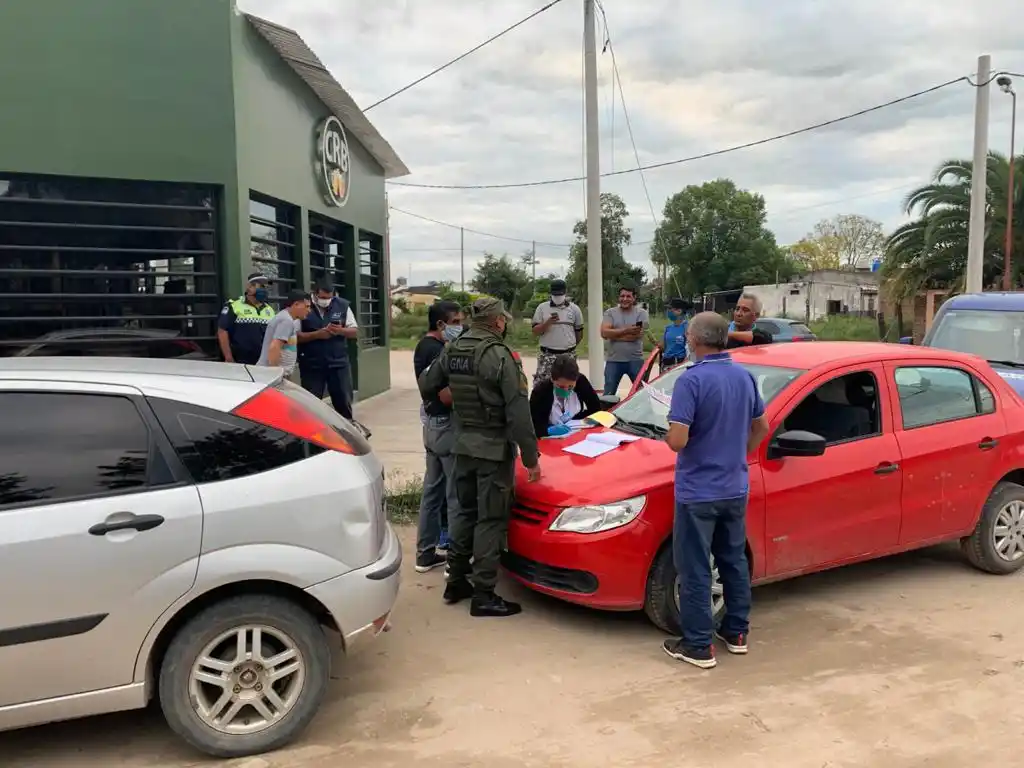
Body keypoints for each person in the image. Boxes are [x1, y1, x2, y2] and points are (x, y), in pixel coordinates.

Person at [419, 297, 541, 618]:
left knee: (463, 513)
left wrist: (456, 400)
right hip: (492, 451)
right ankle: (484, 593)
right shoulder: (500, 355)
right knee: (490, 519)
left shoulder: (454, 348)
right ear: (497, 321)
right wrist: (531, 458)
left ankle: (456, 581)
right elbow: (518, 413)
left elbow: (427, 383)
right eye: (504, 318)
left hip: (461, 445)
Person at [662, 311, 770, 670]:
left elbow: (678, 441)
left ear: (694, 339)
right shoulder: (744, 376)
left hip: (698, 492)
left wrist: (669, 431)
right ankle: (737, 632)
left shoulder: (691, 381)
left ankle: (698, 645)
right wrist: (737, 454)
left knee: (694, 569)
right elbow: (761, 426)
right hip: (734, 486)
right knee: (733, 560)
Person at [412, 300, 464, 573]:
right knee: (454, 496)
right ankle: (455, 562)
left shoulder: (424, 346)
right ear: (441, 324)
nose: (460, 327)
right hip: (445, 426)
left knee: (432, 493)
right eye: (456, 322)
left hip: (431, 427)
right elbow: (445, 395)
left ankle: (425, 554)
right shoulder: (438, 351)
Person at [298, 279, 358, 419]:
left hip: (338, 363)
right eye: (323, 298)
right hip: (312, 364)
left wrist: (340, 331)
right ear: (315, 294)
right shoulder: (304, 305)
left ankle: (346, 431)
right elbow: (296, 336)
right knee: (311, 404)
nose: (326, 301)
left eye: (329, 298)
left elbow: (354, 331)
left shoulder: (342, 305)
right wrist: (317, 335)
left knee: (343, 401)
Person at [530, 354, 602, 438]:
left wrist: (580, 421)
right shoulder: (540, 392)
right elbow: (532, 426)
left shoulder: (581, 382)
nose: (566, 390)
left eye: (570, 387)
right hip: (549, 439)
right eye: (561, 387)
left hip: (576, 434)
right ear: (552, 380)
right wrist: (548, 430)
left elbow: (596, 408)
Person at [531, 279, 584, 386]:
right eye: (555, 295)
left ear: (565, 293)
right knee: (542, 386)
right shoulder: (542, 308)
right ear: (551, 293)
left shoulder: (575, 309)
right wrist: (548, 323)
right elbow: (535, 331)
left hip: (568, 354)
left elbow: (579, 333)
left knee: (569, 385)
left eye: (560, 295)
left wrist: (569, 344)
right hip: (547, 354)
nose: (558, 298)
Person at [600, 285, 650, 395]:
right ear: (619, 297)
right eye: (622, 296)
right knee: (608, 394)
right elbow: (604, 333)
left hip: (635, 360)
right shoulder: (610, 313)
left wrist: (613, 334)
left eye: (628, 296)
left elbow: (636, 335)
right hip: (613, 360)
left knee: (641, 393)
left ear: (634, 298)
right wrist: (627, 330)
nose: (625, 299)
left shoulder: (641, 313)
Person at [217, 272, 275, 365]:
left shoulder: (269, 309)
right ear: (250, 287)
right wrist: (228, 358)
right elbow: (222, 331)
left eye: (265, 287)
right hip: (240, 362)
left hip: (264, 363)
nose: (264, 290)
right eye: (261, 286)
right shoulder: (234, 305)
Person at [256, 290, 310, 375]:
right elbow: (275, 347)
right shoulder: (286, 321)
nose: (309, 310)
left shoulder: (287, 318)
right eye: (306, 306)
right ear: (296, 304)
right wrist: (275, 374)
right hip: (271, 374)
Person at [659, 298, 689, 373]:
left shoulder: (687, 327)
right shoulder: (668, 328)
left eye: (670, 309)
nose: (668, 312)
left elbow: (691, 348)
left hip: (678, 363)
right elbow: (663, 347)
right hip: (666, 363)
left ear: (679, 311)